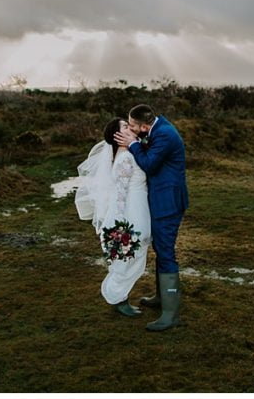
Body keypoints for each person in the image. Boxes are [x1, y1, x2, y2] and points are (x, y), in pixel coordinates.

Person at [114, 103, 188, 332]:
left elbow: (148, 164)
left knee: (166, 251)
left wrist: (133, 144)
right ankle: (160, 297)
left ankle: (170, 314)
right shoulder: (157, 128)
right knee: (160, 247)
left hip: (168, 202)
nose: (132, 130)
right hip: (160, 199)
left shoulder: (164, 135)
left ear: (145, 125)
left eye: (134, 127)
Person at [74, 118, 152, 317]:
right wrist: (120, 224)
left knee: (136, 254)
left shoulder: (130, 151)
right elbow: (121, 194)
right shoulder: (126, 157)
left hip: (138, 205)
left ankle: (119, 295)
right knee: (130, 256)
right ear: (117, 136)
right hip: (130, 210)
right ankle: (117, 296)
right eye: (125, 127)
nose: (130, 127)